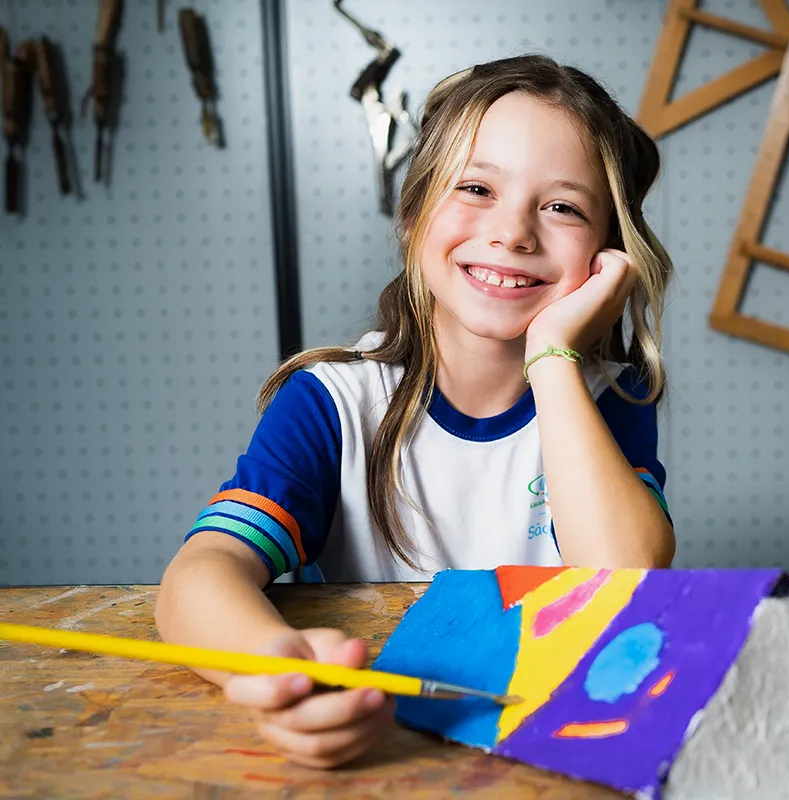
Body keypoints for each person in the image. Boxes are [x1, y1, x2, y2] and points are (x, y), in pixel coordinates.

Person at [154, 53, 676, 769]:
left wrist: (554, 355)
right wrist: (279, 670)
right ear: (413, 216)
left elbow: (625, 582)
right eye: (476, 187)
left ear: (606, 256)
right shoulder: (333, 403)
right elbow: (201, 571)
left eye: (563, 207)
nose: (514, 233)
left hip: (547, 753)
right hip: (384, 752)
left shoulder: (606, 399)